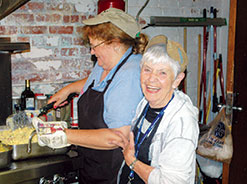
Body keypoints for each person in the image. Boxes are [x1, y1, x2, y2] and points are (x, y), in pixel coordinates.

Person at [33, 8, 148, 184]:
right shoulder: (106, 64)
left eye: (95, 47)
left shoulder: (130, 74)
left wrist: (62, 134)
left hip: (115, 173)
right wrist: (69, 89)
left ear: (115, 43)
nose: (92, 53)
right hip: (93, 164)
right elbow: (99, 83)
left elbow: (117, 137)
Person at [112, 35, 200, 184]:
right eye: (147, 70)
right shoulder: (145, 103)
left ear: (177, 80)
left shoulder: (181, 123)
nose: (151, 79)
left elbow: (171, 182)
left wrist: (132, 162)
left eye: (162, 73)